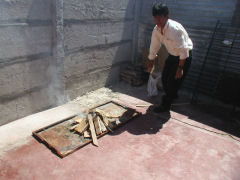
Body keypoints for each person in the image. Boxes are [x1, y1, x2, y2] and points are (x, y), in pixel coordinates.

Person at [148, 3, 193, 113]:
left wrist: (180, 68)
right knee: (164, 78)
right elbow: (154, 46)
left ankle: (165, 105)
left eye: (160, 18)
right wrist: (151, 60)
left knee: (171, 82)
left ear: (167, 16)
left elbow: (183, 50)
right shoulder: (157, 30)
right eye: (155, 18)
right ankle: (173, 94)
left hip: (184, 57)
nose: (157, 21)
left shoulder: (174, 29)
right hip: (172, 56)